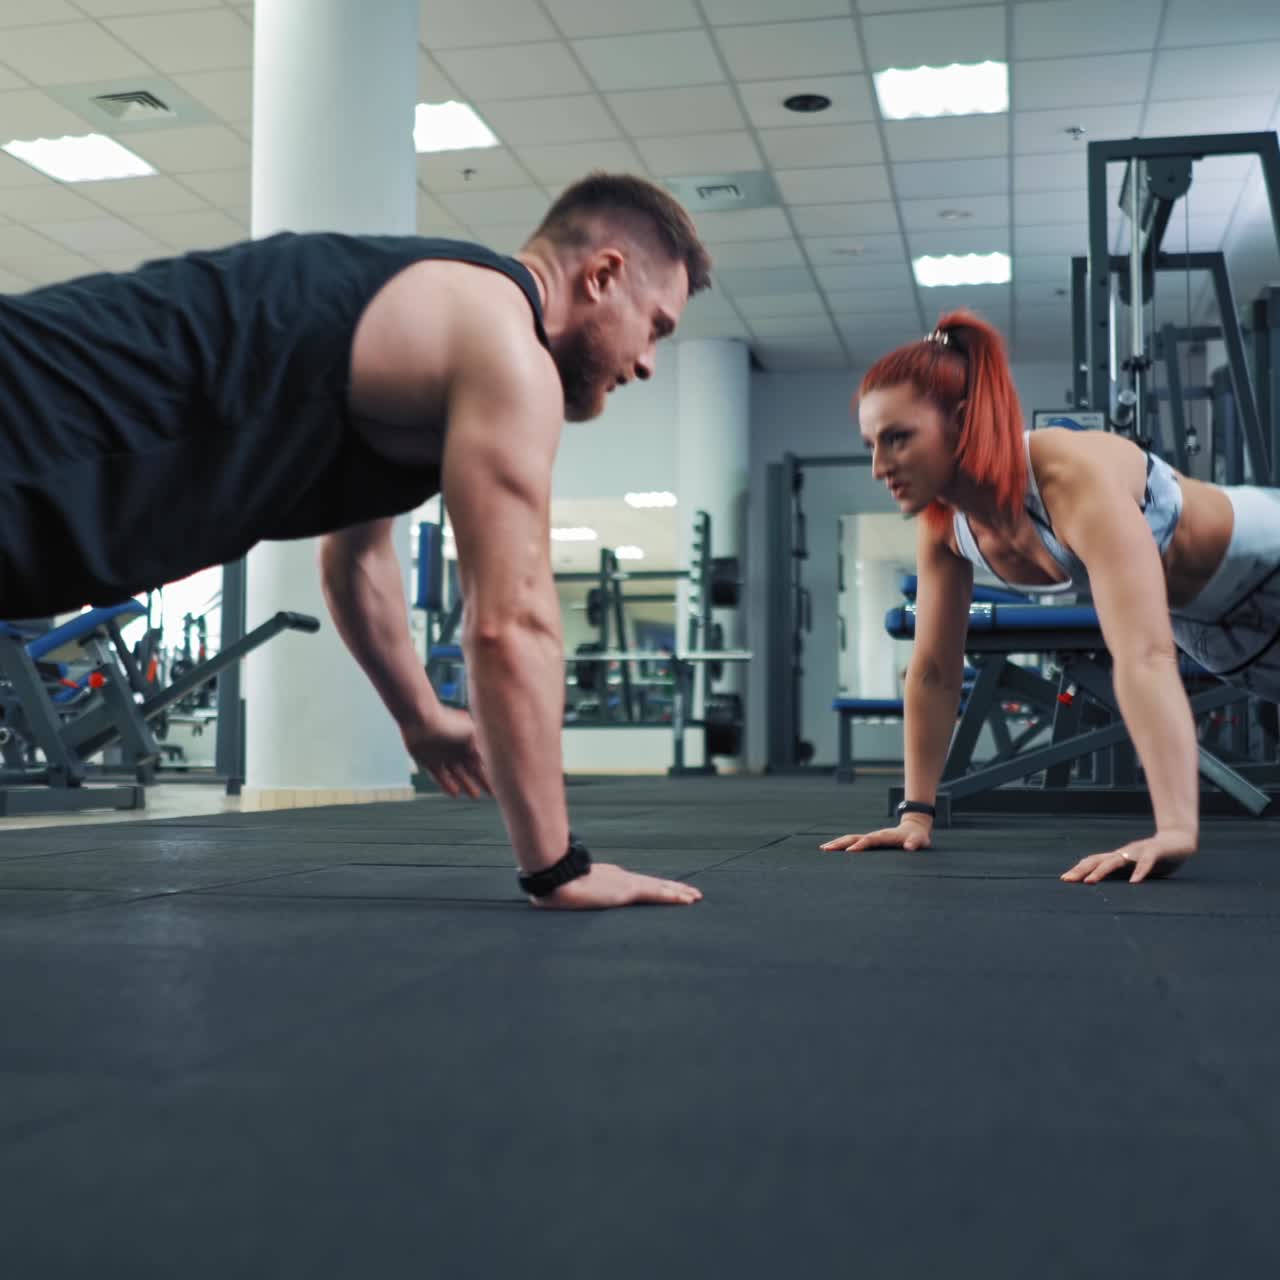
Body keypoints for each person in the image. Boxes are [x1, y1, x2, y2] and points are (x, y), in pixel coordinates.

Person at [0, 171, 709, 911]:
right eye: (656, 325)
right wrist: (559, 867)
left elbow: (357, 559)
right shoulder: (504, 341)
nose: (649, 361)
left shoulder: (434, 314)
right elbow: (511, 620)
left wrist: (420, 716)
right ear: (603, 276)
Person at [820, 309, 1280, 885]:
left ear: (961, 422)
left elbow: (1142, 653)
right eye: (871, 444)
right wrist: (916, 814)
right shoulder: (945, 526)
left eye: (898, 438)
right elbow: (935, 669)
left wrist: (1174, 830)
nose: (879, 467)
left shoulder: (1065, 473)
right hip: (1223, 638)